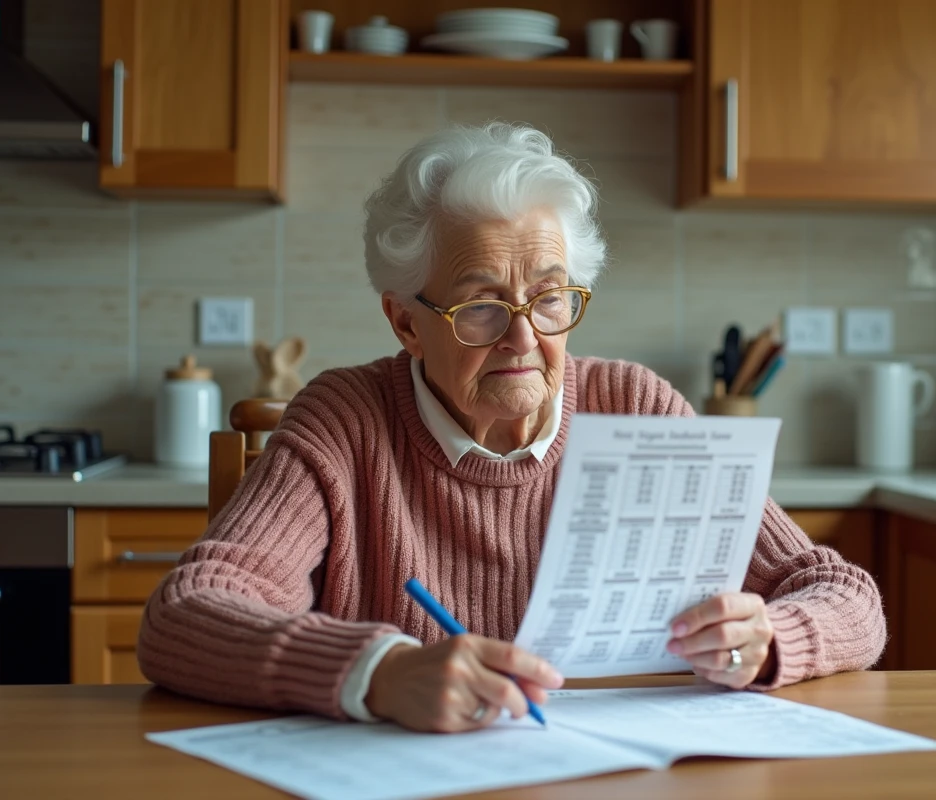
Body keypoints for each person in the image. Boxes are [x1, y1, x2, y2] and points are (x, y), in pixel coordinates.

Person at [137, 122, 886, 733]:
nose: (524, 338)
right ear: (405, 322)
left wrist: (770, 640)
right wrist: (379, 671)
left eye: (550, 299)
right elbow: (185, 616)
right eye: (481, 306)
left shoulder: (636, 408)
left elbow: (844, 594)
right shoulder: (347, 421)